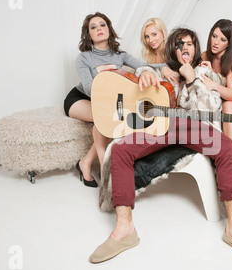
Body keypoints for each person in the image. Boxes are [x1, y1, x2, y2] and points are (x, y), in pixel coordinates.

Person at [89, 27, 232, 267]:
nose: (185, 47)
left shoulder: (206, 72)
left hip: (190, 126)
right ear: (172, 49)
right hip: (159, 127)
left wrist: (192, 78)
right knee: (121, 150)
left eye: (189, 43)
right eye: (179, 44)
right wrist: (146, 75)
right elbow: (140, 74)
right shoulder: (163, 70)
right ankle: (125, 229)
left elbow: (208, 107)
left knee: (225, 147)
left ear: (196, 48)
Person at [63, 12, 169, 187]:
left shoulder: (120, 55)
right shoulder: (84, 58)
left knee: (108, 118)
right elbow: (90, 89)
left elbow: (143, 67)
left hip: (108, 100)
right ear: (88, 34)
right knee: (104, 118)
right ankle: (107, 167)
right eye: (93, 27)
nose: (99, 29)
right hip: (80, 98)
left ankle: (85, 163)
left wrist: (163, 67)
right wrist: (113, 87)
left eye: (102, 25)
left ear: (109, 29)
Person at [141, 17, 179, 86]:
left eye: (154, 34)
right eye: (147, 36)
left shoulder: (171, 51)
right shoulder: (150, 55)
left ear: (163, 33)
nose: (150, 40)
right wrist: (161, 67)